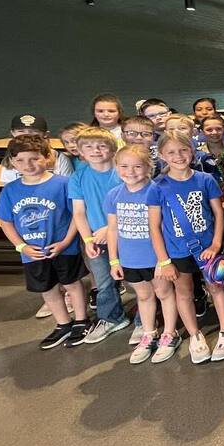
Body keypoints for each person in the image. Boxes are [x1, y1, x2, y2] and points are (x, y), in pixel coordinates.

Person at [0, 134, 89, 349]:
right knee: (47, 288)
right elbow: (5, 221)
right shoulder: (10, 190)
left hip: (63, 247)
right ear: (12, 162)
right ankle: (63, 324)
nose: (27, 165)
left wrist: (66, 241)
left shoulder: (63, 183)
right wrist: (22, 246)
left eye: (34, 158)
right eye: (20, 160)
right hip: (32, 251)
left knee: (72, 284)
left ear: (48, 157)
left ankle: (82, 320)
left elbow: (76, 214)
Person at [150, 132, 224, 363]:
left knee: (216, 287)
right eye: (171, 152)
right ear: (162, 155)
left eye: (183, 150)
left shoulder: (205, 180)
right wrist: (164, 260)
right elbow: (154, 227)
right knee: (184, 293)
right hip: (177, 251)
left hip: (208, 247)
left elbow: (218, 212)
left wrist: (217, 243)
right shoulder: (157, 187)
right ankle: (195, 335)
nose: (178, 156)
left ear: (193, 150)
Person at [105, 144, 181, 364]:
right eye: (125, 166)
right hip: (130, 259)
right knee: (144, 296)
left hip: (156, 258)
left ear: (149, 167)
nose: (131, 171)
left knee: (164, 293)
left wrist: (163, 259)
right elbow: (112, 229)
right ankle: (149, 333)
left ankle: (169, 332)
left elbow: (163, 227)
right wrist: (114, 260)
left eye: (137, 166)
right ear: (117, 167)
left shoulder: (156, 190)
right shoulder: (113, 195)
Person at [68, 126, 129, 344]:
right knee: (104, 281)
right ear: (80, 152)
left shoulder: (122, 171)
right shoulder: (78, 177)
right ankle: (112, 317)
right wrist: (87, 240)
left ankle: (146, 320)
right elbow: (78, 212)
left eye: (102, 145)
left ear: (113, 149)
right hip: (97, 239)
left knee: (137, 279)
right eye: (89, 146)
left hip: (126, 233)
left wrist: (109, 229)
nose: (96, 150)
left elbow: (131, 202)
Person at [1, 113, 75, 183]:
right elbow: (10, 188)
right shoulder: (10, 159)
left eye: (34, 131)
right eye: (21, 131)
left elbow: (67, 186)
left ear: (45, 134)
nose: (27, 135)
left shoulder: (59, 158)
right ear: (13, 133)